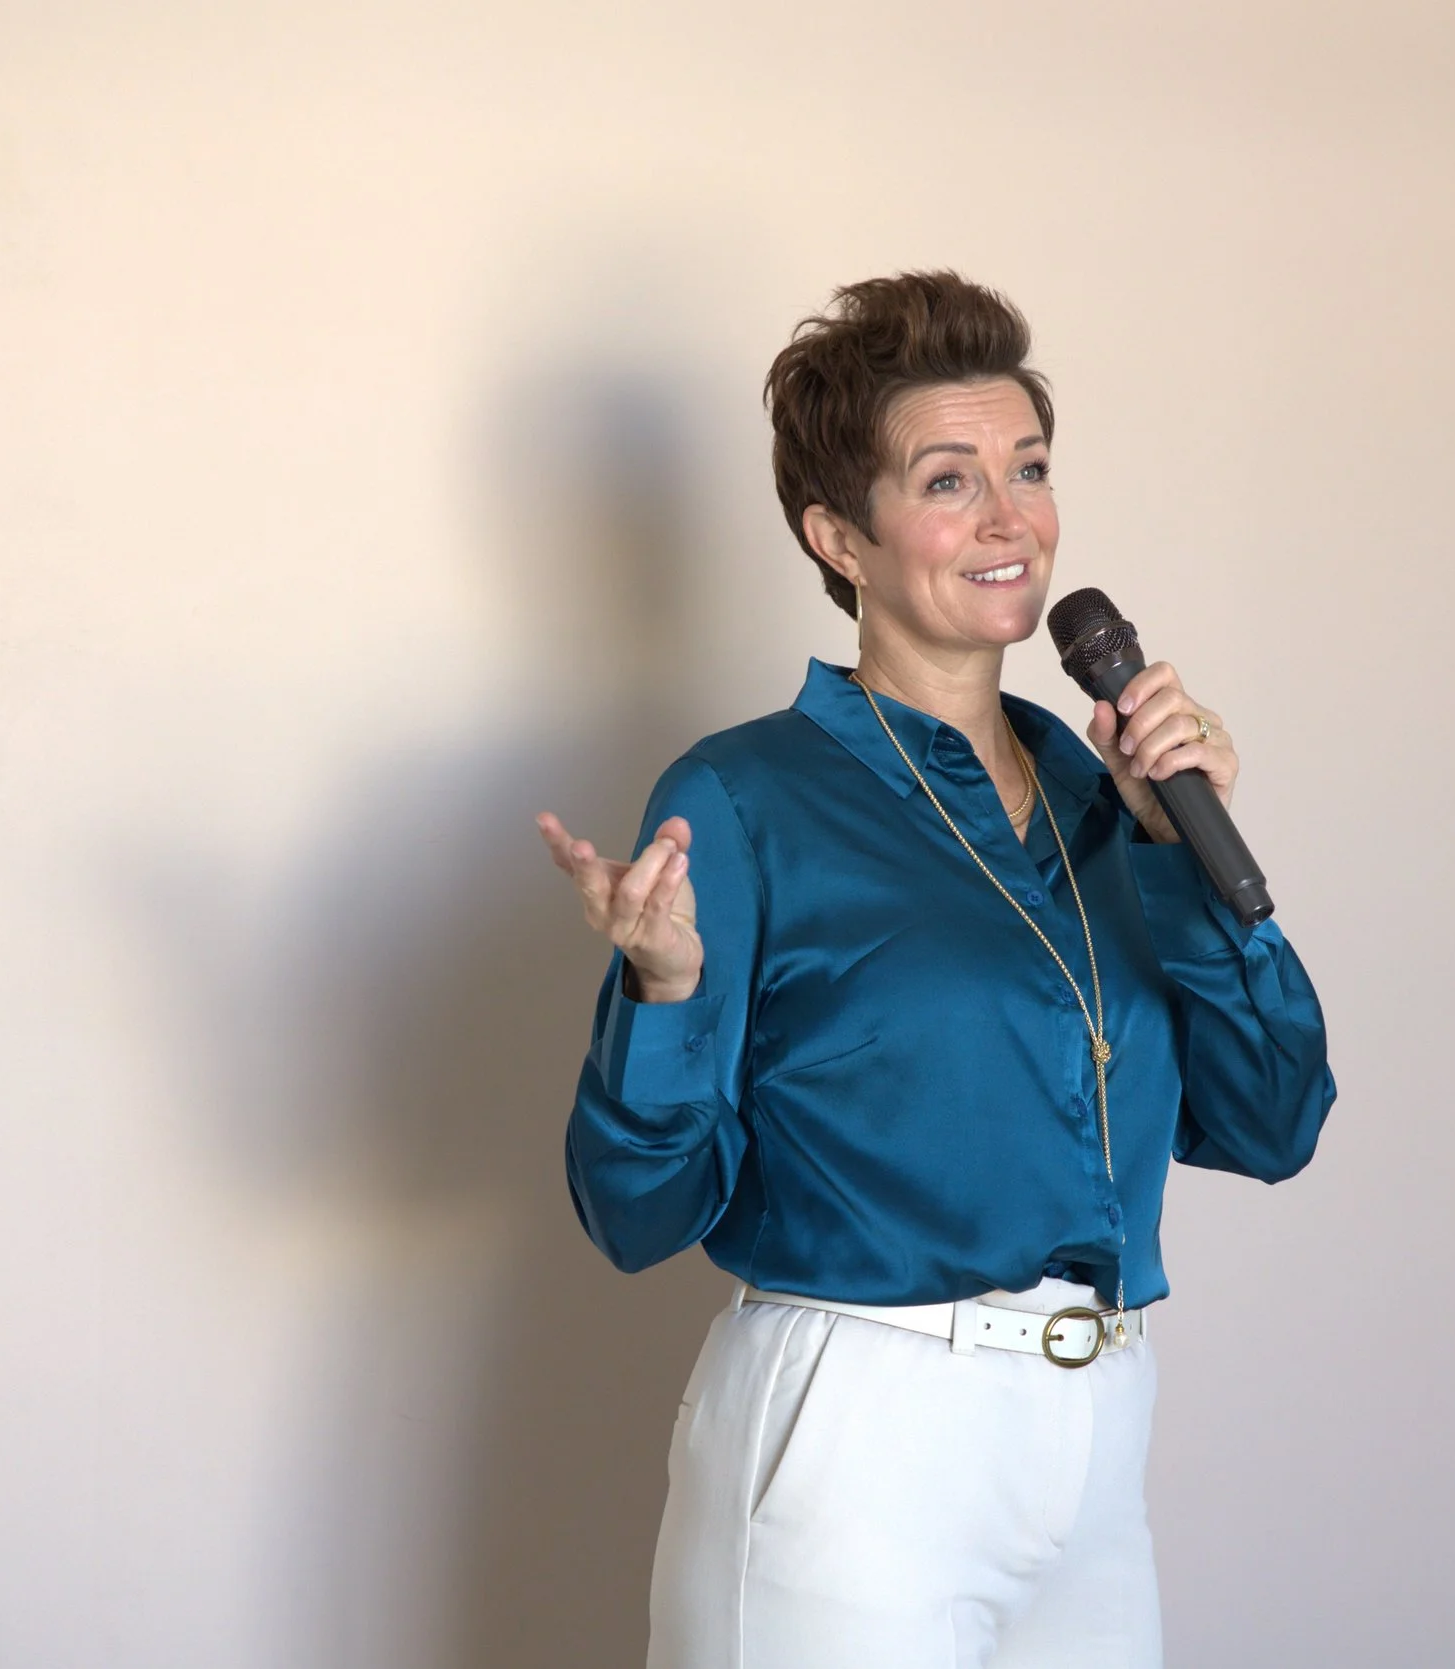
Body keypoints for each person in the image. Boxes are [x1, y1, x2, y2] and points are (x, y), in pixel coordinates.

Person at [534, 270, 1337, 1669]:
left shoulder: (1113, 799)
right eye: (949, 480)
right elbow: (634, 1213)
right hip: (860, 1441)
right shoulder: (742, 800)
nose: (1012, 518)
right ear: (839, 534)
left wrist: (1180, 855)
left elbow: (1272, 1124)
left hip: (1095, 1444)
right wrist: (663, 992)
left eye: (1027, 468)